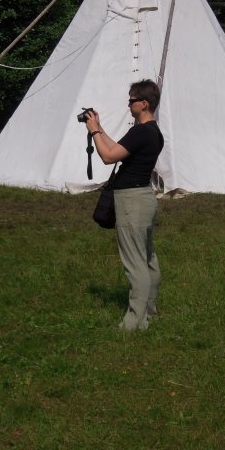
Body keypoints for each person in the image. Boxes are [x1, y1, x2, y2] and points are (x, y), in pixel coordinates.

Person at [85, 80, 164, 331]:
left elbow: (108, 157)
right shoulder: (153, 132)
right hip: (144, 198)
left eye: (131, 100)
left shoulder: (140, 132)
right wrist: (99, 128)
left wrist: (94, 133)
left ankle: (134, 322)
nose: (128, 104)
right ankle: (149, 312)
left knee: (135, 262)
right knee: (147, 258)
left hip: (131, 201)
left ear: (144, 103)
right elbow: (118, 149)